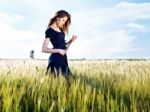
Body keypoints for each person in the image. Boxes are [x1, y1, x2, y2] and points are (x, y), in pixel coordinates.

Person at [42, 10, 77, 77]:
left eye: (65, 21)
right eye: (63, 20)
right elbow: (44, 49)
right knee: (53, 82)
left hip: (63, 59)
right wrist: (58, 50)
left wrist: (71, 41)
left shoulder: (60, 29)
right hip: (55, 60)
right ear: (57, 17)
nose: (64, 23)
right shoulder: (50, 30)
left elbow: (63, 46)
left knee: (69, 81)